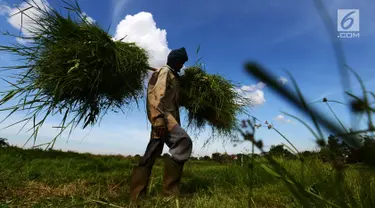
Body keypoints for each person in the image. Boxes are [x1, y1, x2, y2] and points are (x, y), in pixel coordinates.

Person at [130, 47, 193, 200]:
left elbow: (173, 98)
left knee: (151, 153)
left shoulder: (172, 75)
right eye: (182, 63)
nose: (182, 66)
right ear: (176, 61)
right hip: (164, 118)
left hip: (163, 118)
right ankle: (170, 194)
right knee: (183, 142)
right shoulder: (165, 72)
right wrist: (158, 118)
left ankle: (136, 196)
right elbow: (157, 95)